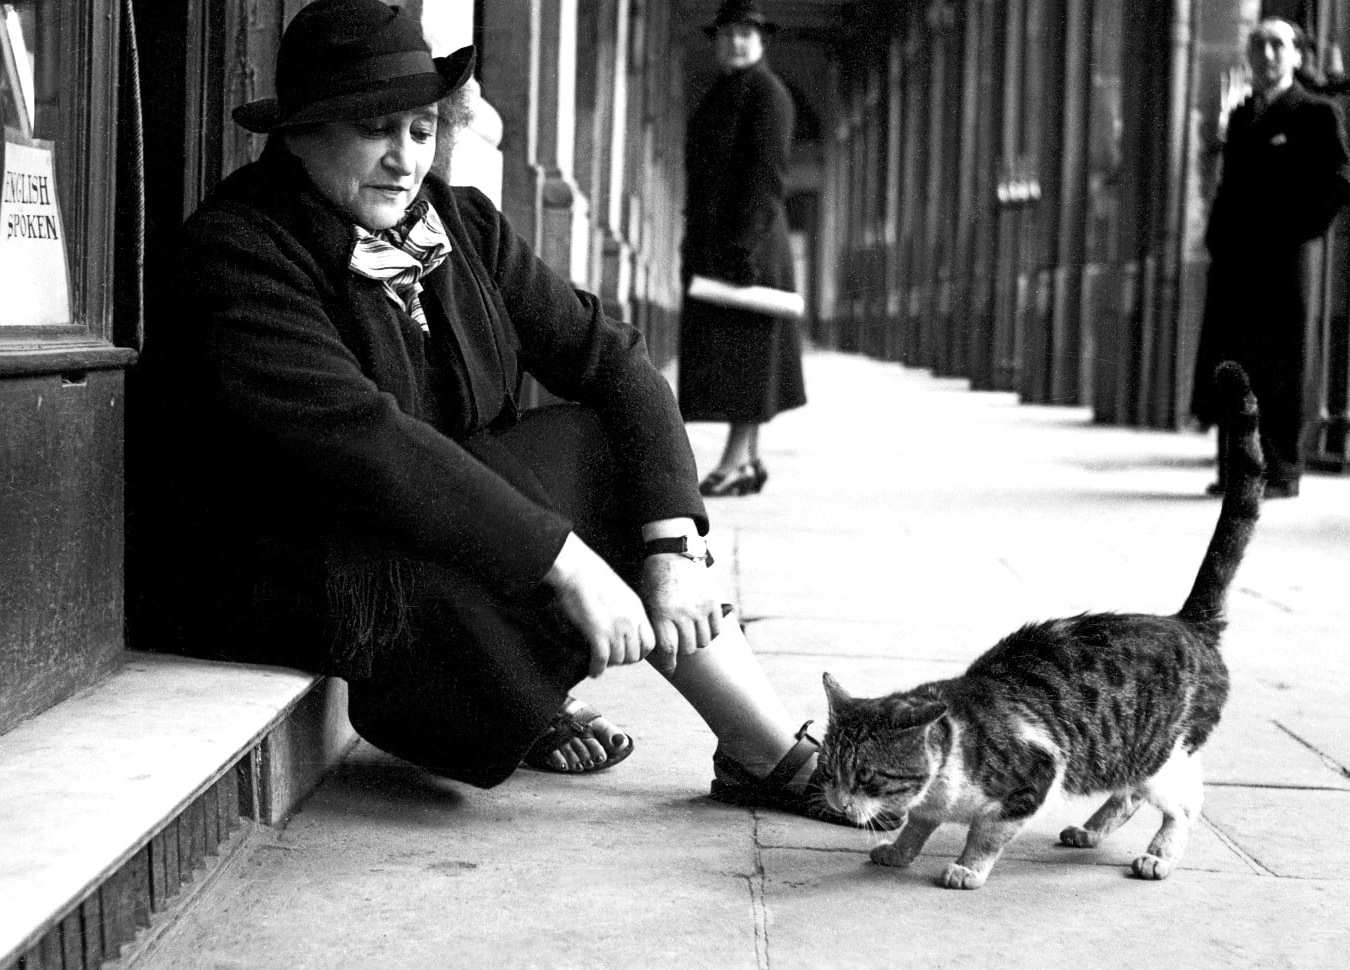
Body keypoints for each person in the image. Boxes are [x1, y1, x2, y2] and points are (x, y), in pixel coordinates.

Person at [142, 0, 894, 829]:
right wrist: (571, 565)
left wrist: (673, 545)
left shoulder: (456, 224)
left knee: (603, 443)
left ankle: (758, 750)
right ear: (298, 133)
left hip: (420, 517)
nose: (403, 159)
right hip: (291, 561)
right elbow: (368, 446)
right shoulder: (239, 251)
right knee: (499, 541)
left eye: (421, 130)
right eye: (373, 131)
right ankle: (551, 701)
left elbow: (614, 358)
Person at [1192, 16, 1350, 499]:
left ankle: (1280, 471)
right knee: (1235, 364)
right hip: (1238, 265)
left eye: (1277, 45)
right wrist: (1217, 239)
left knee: (1283, 365)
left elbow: (1341, 183)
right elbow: (1227, 187)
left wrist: (1300, 232)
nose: (1266, 54)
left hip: (1286, 263)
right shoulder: (1242, 118)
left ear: (1297, 56)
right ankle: (1236, 471)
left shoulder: (1317, 114)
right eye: (1258, 44)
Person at [677, 0, 805, 498]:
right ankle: (747, 461)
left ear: (762, 40)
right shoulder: (726, 91)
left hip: (748, 245)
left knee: (745, 361)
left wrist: (740, 251)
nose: (736, 41)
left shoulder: (768, 95)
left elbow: (765, 180)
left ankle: (734, 462)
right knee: (738, 357)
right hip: (724, 244)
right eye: (728, 33)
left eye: (746, 34)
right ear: (717, 40)